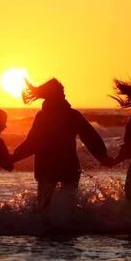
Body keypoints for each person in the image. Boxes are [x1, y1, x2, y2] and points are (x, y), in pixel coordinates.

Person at [13, 78, 112, 213]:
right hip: (65, 165)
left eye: (63, 92)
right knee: (66, 205)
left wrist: (12, 158)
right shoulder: (70, 115)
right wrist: (102, 156)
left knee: (45, 205)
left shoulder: (45, 116)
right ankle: (64, 227)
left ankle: (45, 228)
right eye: (61, 92)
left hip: (49, 166)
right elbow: (90, 137)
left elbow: (31, 143)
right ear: (54, 95)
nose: (64, 95)